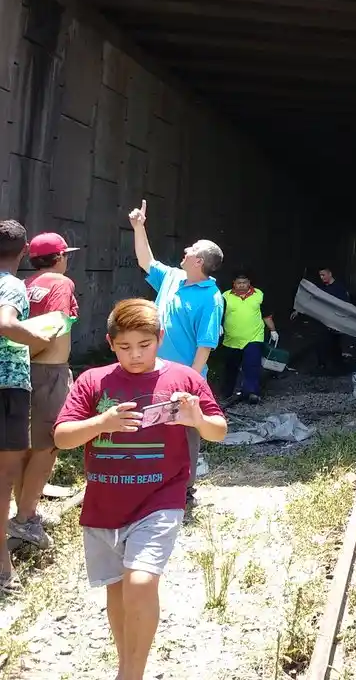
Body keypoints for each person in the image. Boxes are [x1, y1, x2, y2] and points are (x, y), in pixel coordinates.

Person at [54, 298, 227, 680]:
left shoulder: (184, 378)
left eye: (144, 345)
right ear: (110, 343)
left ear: (160, 338)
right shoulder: (93, 381)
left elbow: (218, 431)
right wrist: (102, 422)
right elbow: (63, 438)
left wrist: (196, 418)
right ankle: (126, 663)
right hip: (104, 502)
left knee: (141, 580)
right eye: (125, 347)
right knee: (116, 591)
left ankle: (132, 673)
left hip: (160, 498)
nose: (135, 355)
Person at [127, 199, 224, 503]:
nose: (186, 249)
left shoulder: (212, 297)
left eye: (192, 248)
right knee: (150, 428)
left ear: (200, 262)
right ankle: (150, 482)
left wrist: (189, 383)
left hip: (183, 376)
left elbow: (206, 345)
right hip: (152, 370)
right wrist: (139, 227)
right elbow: (146, 261)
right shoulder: (172, 277)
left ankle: (185, 489)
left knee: (184, 432)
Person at [9, 232, 80, 550]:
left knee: (26, 446)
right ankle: (25, 520)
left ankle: (25, 512)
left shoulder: (25, 285)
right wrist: (37, 356)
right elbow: (53, 327)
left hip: (24, 372)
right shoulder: (60, 283)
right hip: (48, 373)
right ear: (61, 256)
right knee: (48, 446)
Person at [0, 221, 55, 592]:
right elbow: (5, 323)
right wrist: (37, 334)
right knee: (4, 479)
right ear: (23, 252)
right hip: (6, 387)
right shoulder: (11, 284)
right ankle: (4, 571)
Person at [220, 271, 278, 405]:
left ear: (249, 283)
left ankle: (252, 392)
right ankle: (227, 392)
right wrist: (218, 325)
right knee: (230, 367)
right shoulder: (225, 296)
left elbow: (266, 315)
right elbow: (218, 314)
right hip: (231, 339)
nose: (241, 285)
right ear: (233, 284)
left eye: (244, 282)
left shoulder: (259, 295)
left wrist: (273, 330)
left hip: (254, 336)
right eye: (239, 283)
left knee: (252, 365)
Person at [292, 268, 350, 374]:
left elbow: (345, 306)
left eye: (323, 275)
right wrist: (299, 310)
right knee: (321, 343)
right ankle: (322, 365)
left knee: (334, 344)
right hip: (322, 321)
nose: (321, 278)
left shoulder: (339, 289)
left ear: (330, 273)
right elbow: (311, 300)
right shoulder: (322, 289)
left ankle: (336, 367)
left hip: (335, 322)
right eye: (320, 275)